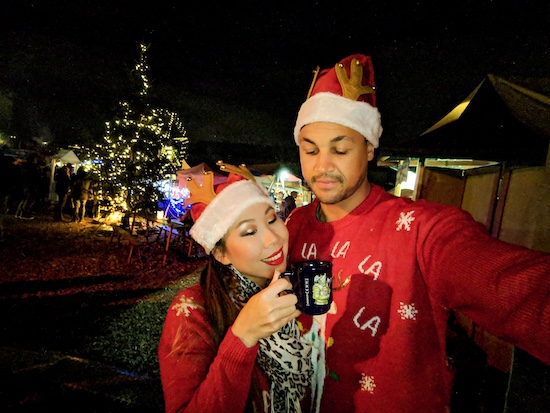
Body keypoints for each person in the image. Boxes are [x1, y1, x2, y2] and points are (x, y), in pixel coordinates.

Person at [286, 54, 550, 412]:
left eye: (340, 148)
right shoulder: (293, 226)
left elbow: (517, 290)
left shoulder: (420, 231)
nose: (322, 165)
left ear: (369, 148)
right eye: (310, 149)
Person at [158, 164, 316, 413]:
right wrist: (243, 336)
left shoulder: (294, 289)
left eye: (272, 219)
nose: (272, 239)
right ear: (220, 253)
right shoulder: (191, 313)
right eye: (249, 231)